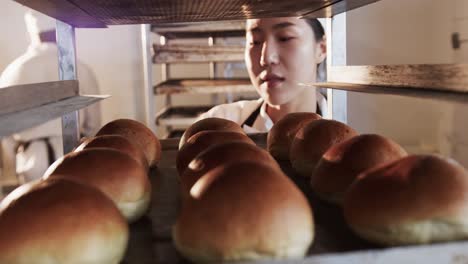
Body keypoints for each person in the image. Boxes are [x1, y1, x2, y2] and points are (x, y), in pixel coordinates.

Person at [0, 10, 101, 182]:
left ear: (32, 33)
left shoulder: (13, 71)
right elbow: (94, 125)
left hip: (31, 162)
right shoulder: (78, 67)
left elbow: (5, 130)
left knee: (39, 207)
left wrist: (11, 170)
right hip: (74, 155)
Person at [198, 17, 327, 133]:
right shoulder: (216, 126)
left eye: (285, 38)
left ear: (322, 49)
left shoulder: (345, 122)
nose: (265, 59)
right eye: (255, 41)